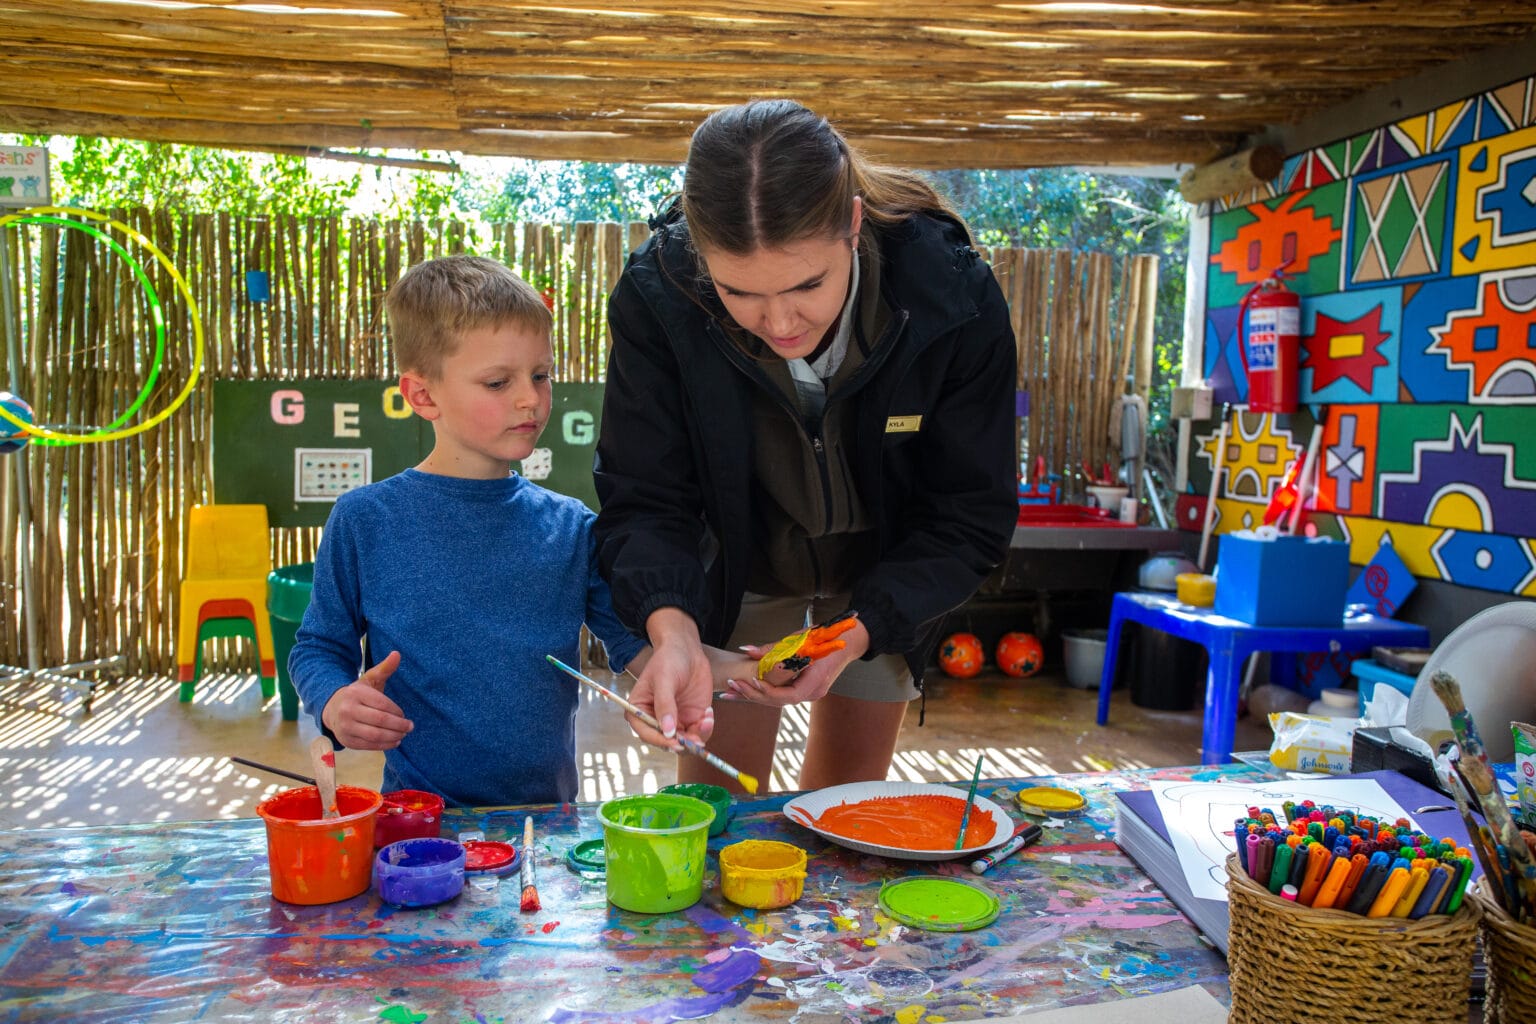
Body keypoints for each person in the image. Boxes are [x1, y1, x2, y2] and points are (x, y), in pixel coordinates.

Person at [594, 100, 1019, 794]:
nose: (782, 322)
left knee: (846, 814)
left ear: (852, 224)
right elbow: (645, 497)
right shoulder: (656, 296)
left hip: (886, 570)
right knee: (717, 813)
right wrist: (672, 634)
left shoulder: (953, 295)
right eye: (739, 293)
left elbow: (970, 513)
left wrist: (864, 630)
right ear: (701, 258)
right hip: (737, 564)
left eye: (808, 284)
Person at [289, 255, 750, 807]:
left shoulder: (572, 526)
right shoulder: (365, 520)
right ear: (423, 395)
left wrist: (754, 669)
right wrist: (335, 700)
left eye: (540, 374)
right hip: (421, 826)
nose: (530, 398)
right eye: (497, 382)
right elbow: (317, 646)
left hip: (546, 824)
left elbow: (645, 654)